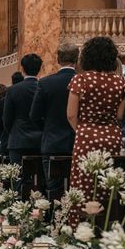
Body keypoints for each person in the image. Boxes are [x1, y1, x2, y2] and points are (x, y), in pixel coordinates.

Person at [67, 36, 125, 223]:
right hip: (111, 136)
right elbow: (119, 116)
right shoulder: (120, 82)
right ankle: (106, 225)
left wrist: (83, 131)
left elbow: (71, 114)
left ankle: (80, 227)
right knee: (107, 183)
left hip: (86, 135)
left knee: (83, 183)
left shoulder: (80, 79)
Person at [30, 43, 79, 195]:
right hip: (77, 142)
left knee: (54, 190)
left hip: (52, 142)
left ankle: (54, 218)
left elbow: (34, 115)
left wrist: (47, 127)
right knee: (76, 190)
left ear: (58, 59)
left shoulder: (45, 83)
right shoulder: (82, 81)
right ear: (77, 60)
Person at [3, 54, 43, 165]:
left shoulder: (13, 90)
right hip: (39, 140)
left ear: (22, 69)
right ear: (39, 69)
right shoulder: (43, 87)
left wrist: (12, 132)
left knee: (17, 178)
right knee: (38, 179)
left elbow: (6, 119)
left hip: (18, 139)